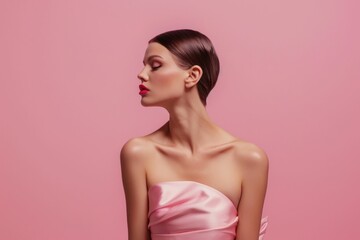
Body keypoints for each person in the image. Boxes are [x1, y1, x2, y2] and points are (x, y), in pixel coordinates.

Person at [120, 29, 269, 240]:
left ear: (192, 75)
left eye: (155, 66)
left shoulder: (249, 159)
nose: (142, 74)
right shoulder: (138, 153)